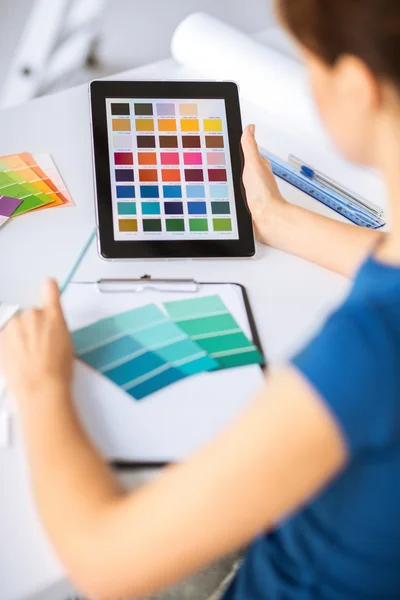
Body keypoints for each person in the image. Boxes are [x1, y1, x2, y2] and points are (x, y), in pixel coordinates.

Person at [1, 0, 399, 598]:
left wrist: (41, 387)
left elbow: (104, 562)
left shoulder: (364, 355)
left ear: (356, 86)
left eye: (307, 61)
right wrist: (278, 221)